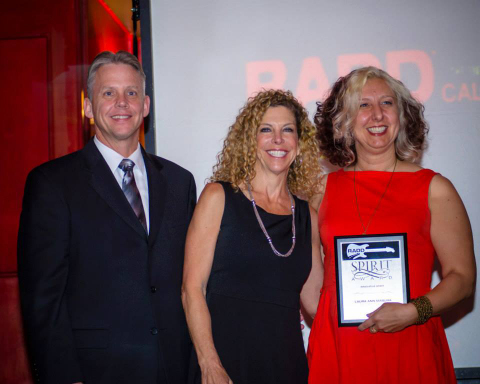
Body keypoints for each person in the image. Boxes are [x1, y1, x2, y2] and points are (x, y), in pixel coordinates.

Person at [17, 51, 196, 384]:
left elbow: (190, 283)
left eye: (131, 93)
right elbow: (44, 298)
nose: (121, 103)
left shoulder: (179, 182)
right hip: (96, 371)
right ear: (88, 107)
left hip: (173, 367)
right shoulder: (53, 183)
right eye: (108, 93)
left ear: (145, 106)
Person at [307, 66, 476, 384]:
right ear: (343, 121)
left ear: (402, 116)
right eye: (363, 105)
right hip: (341, 350)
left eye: (386, 103)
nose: (377, 115)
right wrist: (329, 318)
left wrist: (414, 311)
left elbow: (463, 279)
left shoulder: (434, 189)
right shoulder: (320, 190)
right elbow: (309, 278)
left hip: (410, 343)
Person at [182, 89, 324, 384]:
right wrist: (209, 364)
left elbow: (315, 302)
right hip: (225, 366)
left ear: (299, 143)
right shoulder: (218, 197)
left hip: (286, 366)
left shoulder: (307, 216)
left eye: (288, 130)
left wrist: (372, 307)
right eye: (266, 130)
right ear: (250, 140)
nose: (278, 140)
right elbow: (191, 289)